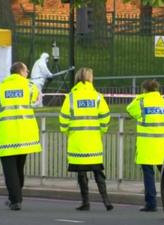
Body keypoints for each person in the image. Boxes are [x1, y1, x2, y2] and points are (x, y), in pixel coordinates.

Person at [0, 62, 41, 211]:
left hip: (7, 137)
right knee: (19, 169)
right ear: (21, 72)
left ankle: (15, 200)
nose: (27, 73)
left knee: (10, 171)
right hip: (25, 136)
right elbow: (36, 98)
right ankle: (16, 197)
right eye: (26, 71)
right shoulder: (29, 86)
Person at [59, 67, 113, 211]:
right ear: (90, 79)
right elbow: (106, 117)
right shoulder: (97, 97)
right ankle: (106, 200)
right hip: (94, 141)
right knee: (98, 172)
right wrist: (101, 130)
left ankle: (85, 202)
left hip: (77, 142)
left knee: (82, 174)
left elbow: (63, 120)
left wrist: (67, 132)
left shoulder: (71, 97)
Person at [126, 80, 164, 212]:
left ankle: (151, 203)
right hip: (162, 145)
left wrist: (140, 97)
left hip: (146, 146)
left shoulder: (141, 102)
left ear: (144, 90)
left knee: (148, 175)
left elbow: (129, 109)